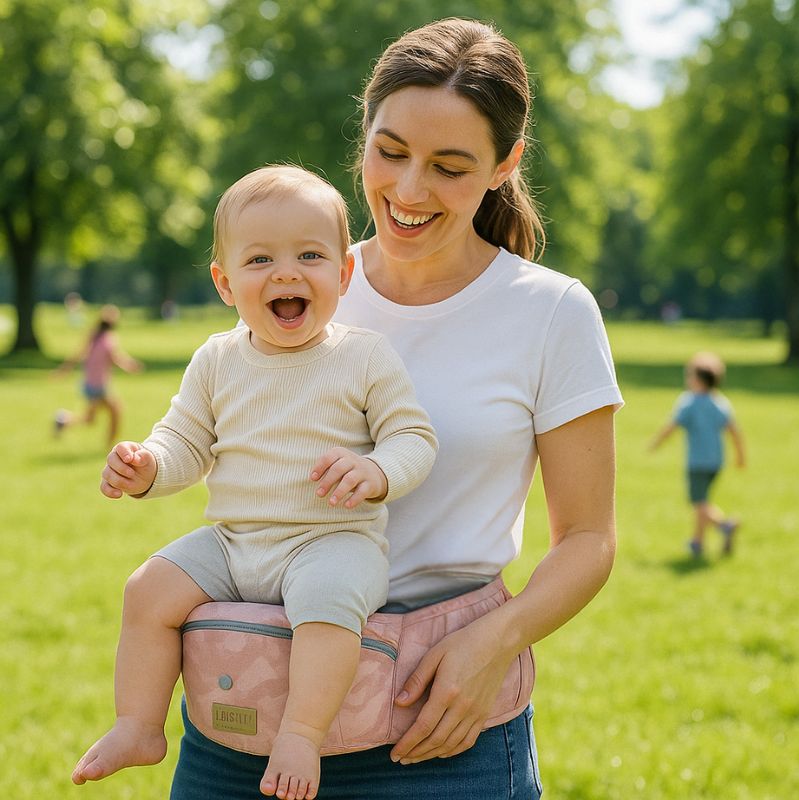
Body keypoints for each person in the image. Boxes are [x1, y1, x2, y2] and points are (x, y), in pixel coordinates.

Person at [165, 18, 623, 800]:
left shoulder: (550, 313)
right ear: (364, 132)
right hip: (251, 705)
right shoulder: (290, 278)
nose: (408, 192)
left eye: (449, 167)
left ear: (505, 163)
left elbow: (588, 539)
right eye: (390, 151)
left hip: (441, 720)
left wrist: (495, 643)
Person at [71, 165, 438, 800]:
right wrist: (148, 466)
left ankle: (300, 732)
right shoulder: (217, 359)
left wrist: (377, 470)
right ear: (225, 281)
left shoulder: (364, 355)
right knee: (148, 589)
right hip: (235, 541)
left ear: (344, 274)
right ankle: (138, 724)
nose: (287, 273)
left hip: (332, 539)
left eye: (311, 255)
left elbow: (414, 439)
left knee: (327, 605)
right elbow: (185, 442)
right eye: (261, 258)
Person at [649, 351, 746, 557]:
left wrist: (656, 443)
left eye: (689, 375)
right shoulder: (720, 402)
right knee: (703, 500)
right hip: (716, 461)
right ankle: (697, 543)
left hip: (698, 462)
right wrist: (740, 456)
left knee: (699, 503)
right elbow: (734, 431)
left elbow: (672, 426)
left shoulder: (689, 402)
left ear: (698, 380)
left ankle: (725, 526)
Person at [52, 304, 143, 446]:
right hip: (98, 386)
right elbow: (116, 358)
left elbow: (77, 355)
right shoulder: (109, 339)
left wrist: (63, 370)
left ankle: (63, 420)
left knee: (90, 419)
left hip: (89, 383)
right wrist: (131, 366)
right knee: (116, 411)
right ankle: (111, 447)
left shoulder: (94, 336)